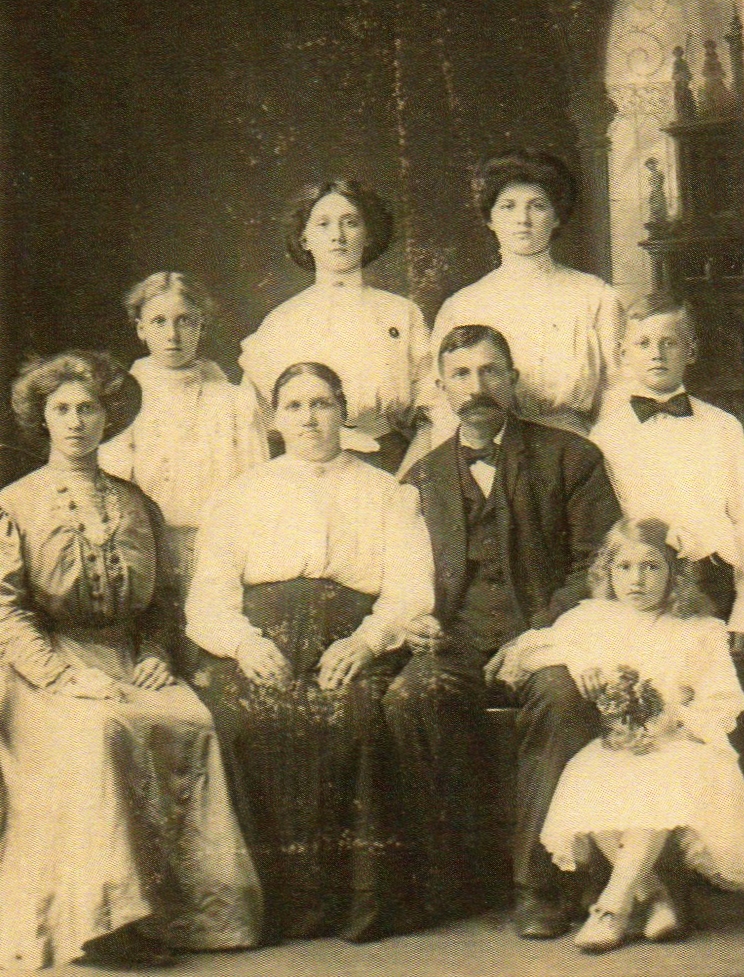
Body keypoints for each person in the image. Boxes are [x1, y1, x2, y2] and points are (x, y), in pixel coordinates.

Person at [0, 351, 263, 969]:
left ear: (108, 416)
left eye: (88, 408)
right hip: (44, 666)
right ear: (42, 418)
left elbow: (164, 600)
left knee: (194, 721)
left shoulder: (136, 502)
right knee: (97, 730)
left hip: (129, 658)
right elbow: (6, 613)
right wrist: (63, 675)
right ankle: (106, 921)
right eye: (61, 409)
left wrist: (155, 655)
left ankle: (187, 917)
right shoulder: (14, 503)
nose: (76, 422)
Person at [185, 362, 434, 943]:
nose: (310, 418)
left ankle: (356, 904)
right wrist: (243, 644)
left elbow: (410, 587)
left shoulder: (387, 492)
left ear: (344, 412)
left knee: (360, 720)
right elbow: (208, 598)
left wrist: (367, 641)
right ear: (274, 420)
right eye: (294, 406)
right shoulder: (240, 495)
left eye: (322, 403)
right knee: (242, 723)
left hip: (351, 638)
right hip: (261, 639)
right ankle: (274, 906)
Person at [388, 325, 621, 933]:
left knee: (561, 697)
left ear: (513, 380)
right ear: (441, 389)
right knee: (411, 697)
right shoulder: (422, 476)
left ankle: (539, 886)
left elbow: (598, 568)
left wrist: (535, 637)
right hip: (457, 642)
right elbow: (401, 571)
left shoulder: (572, 457)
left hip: (549, 638)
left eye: (491, 371)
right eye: (460, 375)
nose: (477, 387)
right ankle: (457, 877)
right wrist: (418, 619)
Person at [500, 518, 744, 952]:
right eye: (624, 567)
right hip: (619, 746)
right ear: (607, 573)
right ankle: (655, 898)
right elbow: (529, 651)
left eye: (651, 567)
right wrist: (576, 662)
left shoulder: (699, 629)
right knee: (586, 773)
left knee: (662, 775)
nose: (637, 580)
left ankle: (611, 908)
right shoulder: (591, 618)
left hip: (682, 745)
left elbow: (724, 701)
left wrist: (677, 718)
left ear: (674, 573)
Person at [402, 149, 623, 472]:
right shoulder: (463, 305)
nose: (523, 219)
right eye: (508, 207)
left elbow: (618, 392)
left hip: (575, 457)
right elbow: (443, 405)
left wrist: (597, 464)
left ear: (557, 216)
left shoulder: (594, 295)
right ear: (490, 219)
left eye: (538, 206)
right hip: (491, 459)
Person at [100, 271, 268, 624]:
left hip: (223, 556)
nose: (172, 334)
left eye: (184, 321)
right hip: (147, 555)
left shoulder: (235, 402)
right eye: (159, 322)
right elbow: (111, 495)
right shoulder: (121, 403)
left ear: (201, 326)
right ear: (140, 329)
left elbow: (257, 492)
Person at [238, 178, 431, 473]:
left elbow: (433, 406)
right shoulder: (281, 322)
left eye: (350, 223)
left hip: (392, 463)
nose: (338, 235)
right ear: (305, 239)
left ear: (367, 234)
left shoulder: (401, 313)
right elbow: (257, 423)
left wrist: (408, 479)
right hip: (307, 471)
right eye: (323, 224)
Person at [591, 293, 744, 639]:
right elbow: (611, 525)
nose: (657, 353)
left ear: (690, 351)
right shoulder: (607, 435)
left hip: (714, 580)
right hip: (642, 584)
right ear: (623, 353)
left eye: (669, 342)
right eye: (643, 343)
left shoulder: (723, 427)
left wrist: (742, 613)